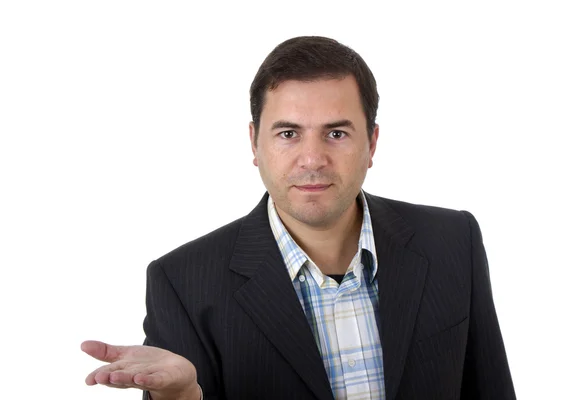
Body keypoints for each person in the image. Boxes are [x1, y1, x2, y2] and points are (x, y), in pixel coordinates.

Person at [82, 36, 516, 400]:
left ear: (372, 143)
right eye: (288, 133)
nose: (313, 159)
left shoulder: (452, 241)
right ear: (255, 143)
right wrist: (183, 398)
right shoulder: (182, 283)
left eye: (337, 133)